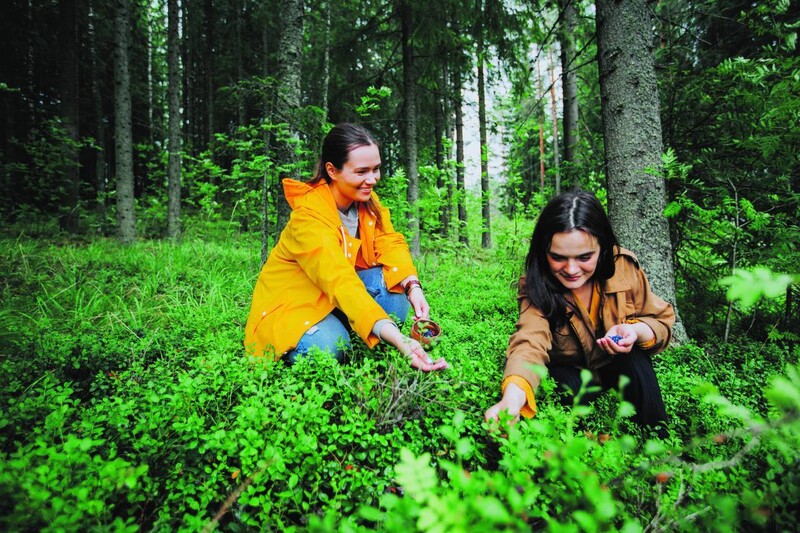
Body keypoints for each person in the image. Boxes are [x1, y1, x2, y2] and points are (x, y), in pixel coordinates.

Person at [244, 123, 448, 372]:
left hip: (333, 298)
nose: (371, 180)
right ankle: (316, 339)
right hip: (295, 305)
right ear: (332, 170)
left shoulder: (366, 201)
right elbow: (339, 279)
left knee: (394, 289)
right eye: (361, 171)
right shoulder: (309, 217)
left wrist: (412, 285)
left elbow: (389, 241)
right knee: (331, 348)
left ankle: (361, 327)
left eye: (376, 169)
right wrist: (398, 338)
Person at [484, 191, 674, 431]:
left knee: (637, 363)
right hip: (568, 370)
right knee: (568, 387)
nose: (571, 269)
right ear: (544, 252)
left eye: (585, 257)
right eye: (558, 257)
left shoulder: (623, 266)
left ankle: (659, 443)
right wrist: (511, 400)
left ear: (602, 248)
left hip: (615, 363)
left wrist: (636, 331)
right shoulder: (537, 284)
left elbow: (661, 321)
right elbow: (529, 342)